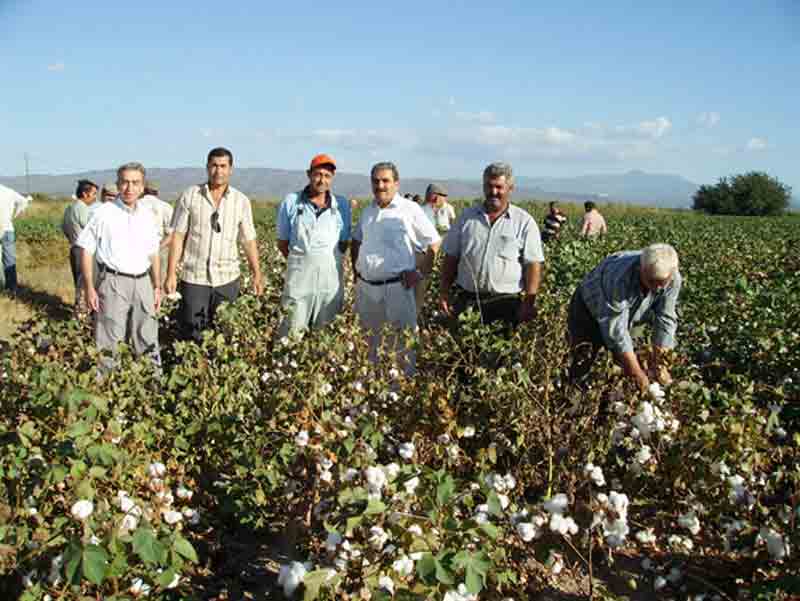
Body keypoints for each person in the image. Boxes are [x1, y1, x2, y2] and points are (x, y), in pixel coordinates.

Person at [165, 147, 264, 341]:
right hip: (195, 278)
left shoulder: (240, 201)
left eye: (223, 166)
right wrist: (170, 273)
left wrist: (257, 273)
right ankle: (194, 371)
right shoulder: (190, 195)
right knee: (193, 336)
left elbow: (248, 239)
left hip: (227, 278)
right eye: (214, 166)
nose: (218, 171)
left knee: (225, 334)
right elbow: (178, 236)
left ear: (231, 169)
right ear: (207, 167)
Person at [351, 162, 440, 375]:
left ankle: (402, 398)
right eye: (376, 181)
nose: (380, 185)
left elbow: (434, 243)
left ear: (396, 184)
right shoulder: (368, 211)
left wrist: (420, 273)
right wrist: (356, 272)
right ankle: (372, 395)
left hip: (397, 289)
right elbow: (356, 240)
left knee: (402, 347)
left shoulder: (410, 209)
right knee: (369, 345)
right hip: (367, 289)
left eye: (385, 181)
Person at [77, 162, 161, 370]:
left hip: (143, 283)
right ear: (118, 185)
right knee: (109, 341)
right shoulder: (103, 213)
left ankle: (154, 390)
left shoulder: (148, 215)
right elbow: (86, 250)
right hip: (113, 282)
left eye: (135, 183)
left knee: (147, 338)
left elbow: (154, 253)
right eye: (125, 182)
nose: (129, 188)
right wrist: (89, 287)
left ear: (142, 187)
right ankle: (105, 390)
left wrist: (157, 286)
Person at [439, 162, 544, 329]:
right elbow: (451, 257)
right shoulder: (466, 218)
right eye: (489, 186)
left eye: (499, 187)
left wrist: (529, 302)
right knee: (465, 353)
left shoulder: (524, 222)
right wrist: (444, 291)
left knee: (501, 354)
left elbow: (532, 264)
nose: (493, 192)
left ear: (510, 188)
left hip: (506, 304)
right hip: (467, 302)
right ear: (483, 187)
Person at [567, 243, 682, 390]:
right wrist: (636, 372)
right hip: (589, 310)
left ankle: (613, 400)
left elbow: (666, 319)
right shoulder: (618, 277)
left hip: (632, 314)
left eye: (662, 283)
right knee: (584, 359)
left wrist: (661, 364)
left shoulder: (673, 278)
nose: (657, 288)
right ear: (641, 269)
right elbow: (616, 329)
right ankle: (574, 396)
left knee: (627, 363)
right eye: (651, 281)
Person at [276, 154, 351, 336]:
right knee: (290, 334)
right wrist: (302, 261)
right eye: (318, 174)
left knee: (325, 338)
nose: (322, 180)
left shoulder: (341, 205)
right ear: (309, 174)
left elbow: (343, 243)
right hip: (299, 282)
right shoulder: (292, 202)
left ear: (332, 178)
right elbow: (282, 243)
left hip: (330, 283)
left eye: (327, 176)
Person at [61, 179, 98, 312]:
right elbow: (92, 230)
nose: (95, 197)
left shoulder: (69, 208)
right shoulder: (82, 209)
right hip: (84, 251)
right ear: (85, 193)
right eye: (93, 194)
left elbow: (64, 228)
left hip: (74, 248)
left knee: (79, 283)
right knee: (86, 285)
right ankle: (83, 315)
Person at [0, 183, 31, 295]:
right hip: (8, 229)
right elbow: (24, 202)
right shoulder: (9, 191)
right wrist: (14, 215)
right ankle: (12, 288)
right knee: (9, 260)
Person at [140, 182, 174, 285]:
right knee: (159, 283)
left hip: (139, 250)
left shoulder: (136, 205)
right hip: (160, 250)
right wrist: (159, 247)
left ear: (143, 190)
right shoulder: (165, 206)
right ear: (157, 192)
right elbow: (171, 234)